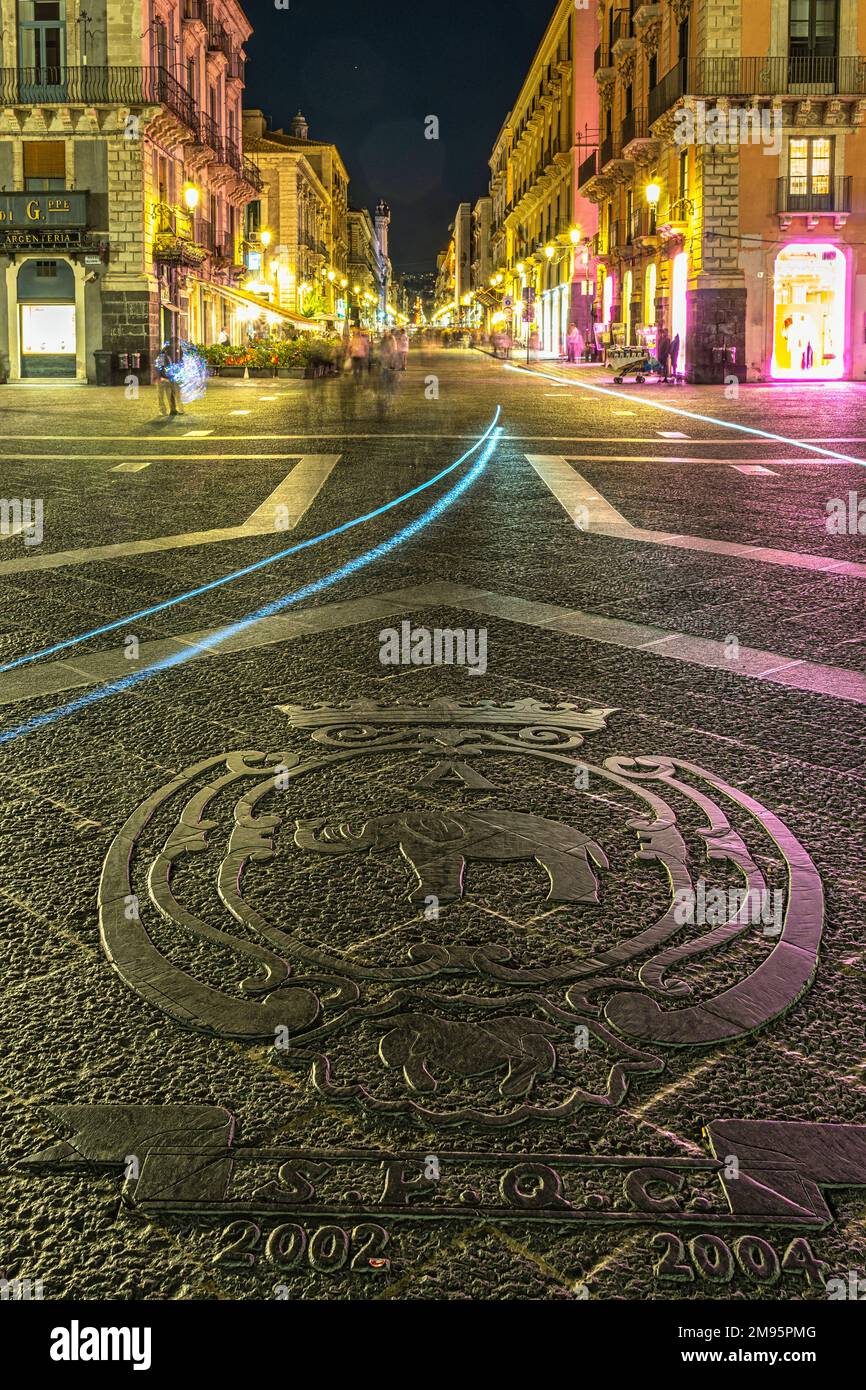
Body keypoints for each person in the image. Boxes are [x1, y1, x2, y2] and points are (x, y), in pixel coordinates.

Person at [155, 342, 183, 416]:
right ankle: (162, 411)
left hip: (168, 378)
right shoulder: (162, 356)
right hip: (163, 379)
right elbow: (159, 368)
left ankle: (173, 409)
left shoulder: (170, 357)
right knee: (161, 396)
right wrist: (161, 377)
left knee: (170, 395)